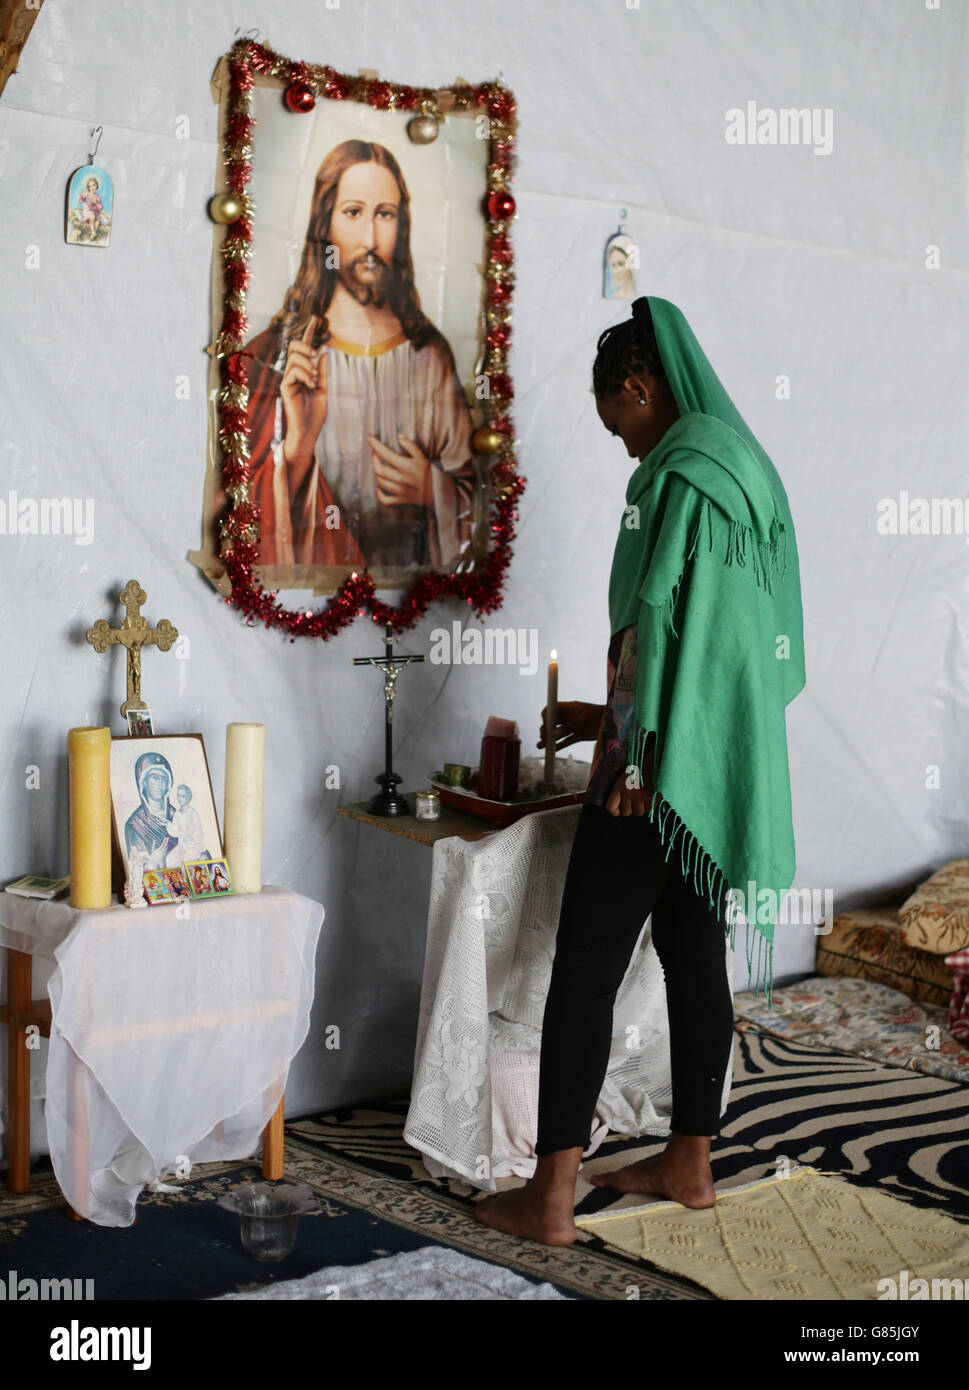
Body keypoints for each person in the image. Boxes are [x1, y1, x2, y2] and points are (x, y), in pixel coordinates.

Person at [473, 295, 805, 1247]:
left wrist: (630, 747)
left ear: (638, 385)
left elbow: (654, 626)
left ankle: (548, 1201)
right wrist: (613, 717)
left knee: (582, 969)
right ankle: (689, 1163)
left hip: (650, 770)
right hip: (708, 759)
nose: (618, 442)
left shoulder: (677, 472)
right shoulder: (746, 468)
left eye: (612, 418)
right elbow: (732, 641)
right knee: (693, 956)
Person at [237, 140, 476, 574]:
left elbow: (475, 505)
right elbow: (240, 510)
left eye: (384, 214)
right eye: (353, 212)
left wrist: (431, 489)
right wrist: (297, 451)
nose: (370, 238)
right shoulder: (277, 356)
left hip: (408, 606)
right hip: (312, 605)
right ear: (324, 225)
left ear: (401, 225)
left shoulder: (430, 356)